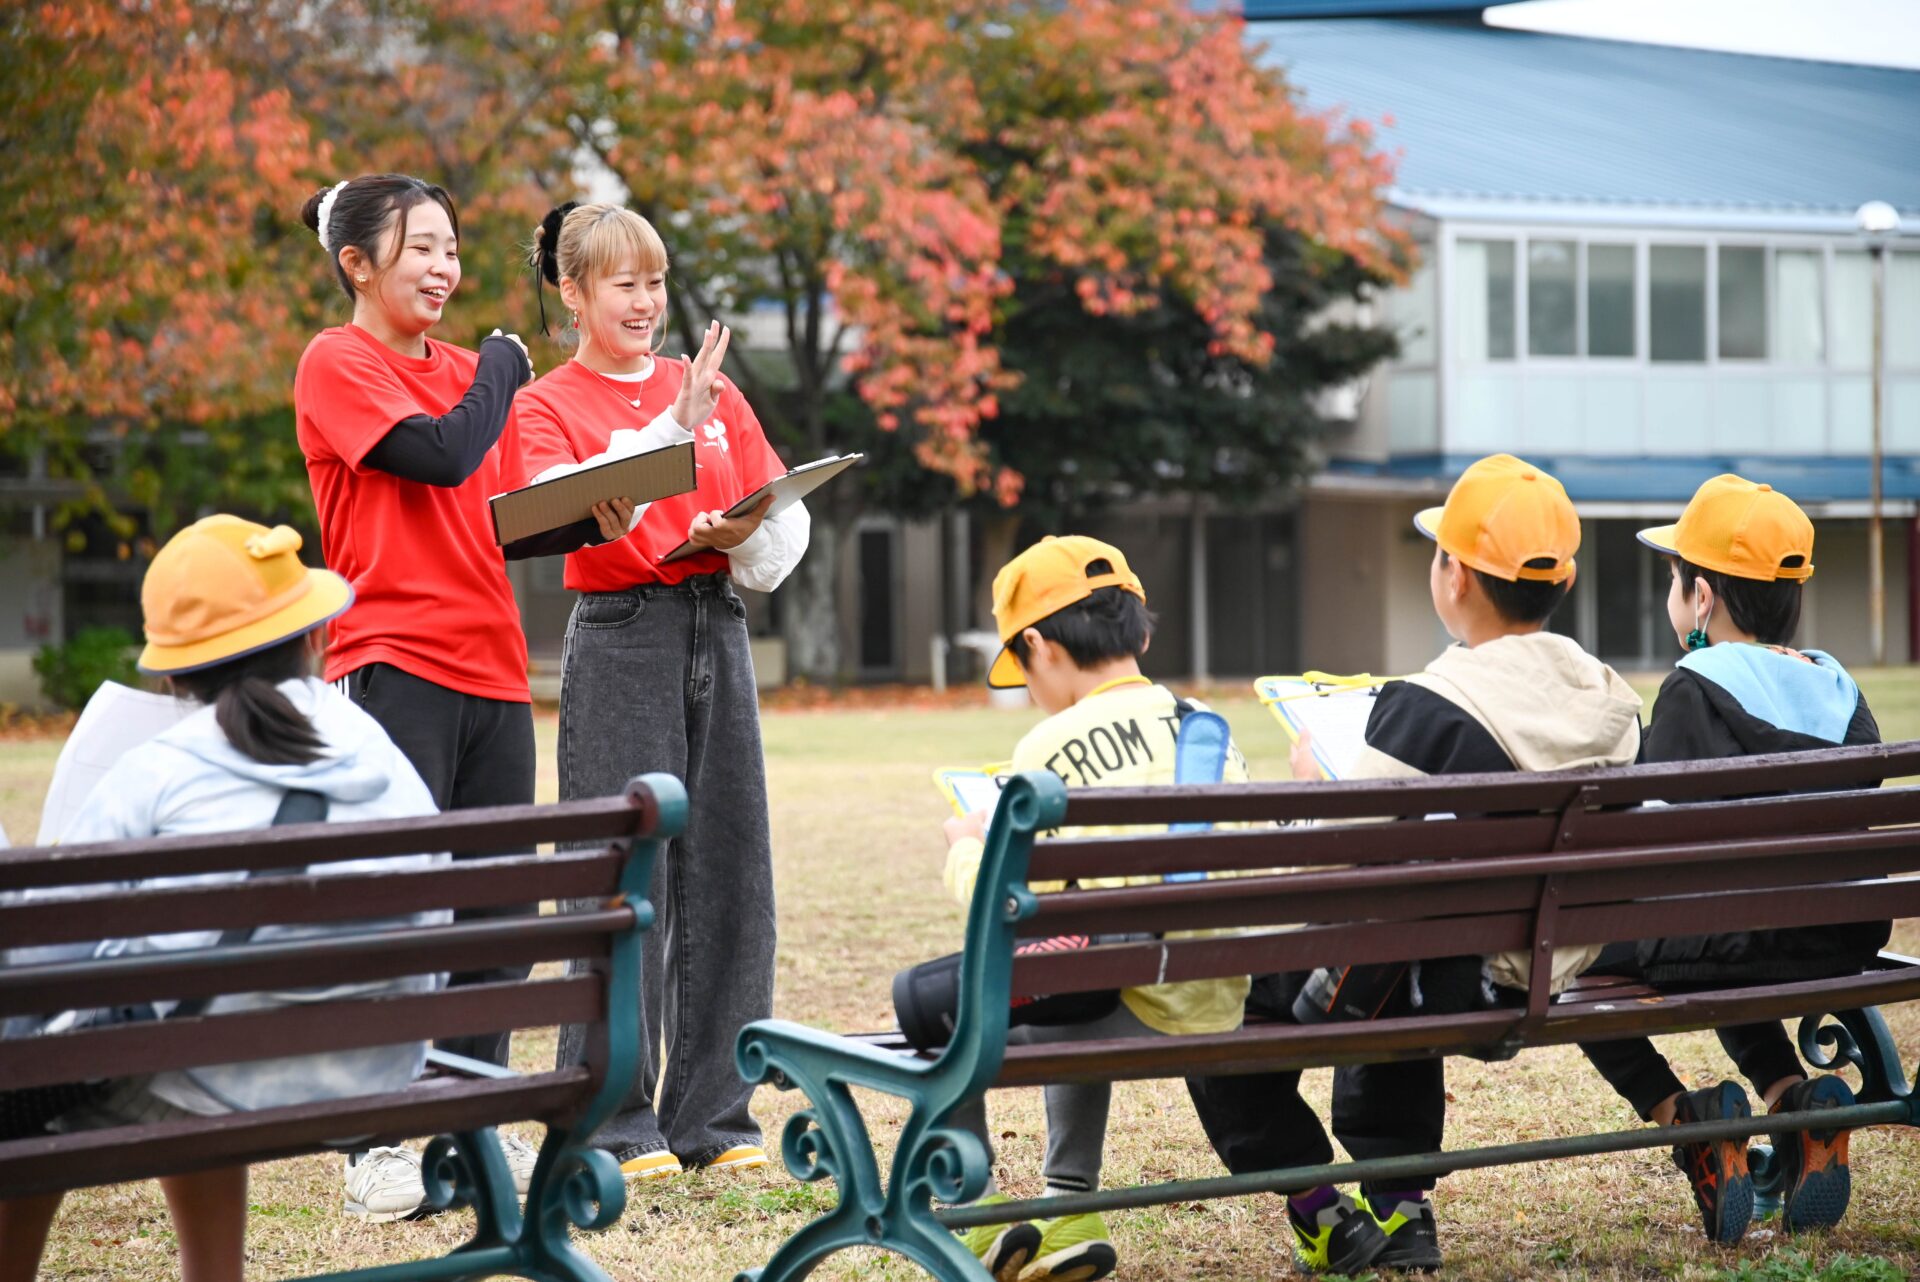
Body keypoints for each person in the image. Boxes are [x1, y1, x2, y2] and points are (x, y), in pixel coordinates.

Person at [1187, 453, 1643, 1274]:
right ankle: (1401, 1209)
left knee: (1214, 991)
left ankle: (1318, 1206)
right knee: (1408, 921)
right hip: (1546, 968)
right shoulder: (1607, 697)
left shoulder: (1431, 704)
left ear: (1455, 575)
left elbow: (1336, 848)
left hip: (1454, 978)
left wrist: (1311, 782)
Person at [0, 515, 447, 1281]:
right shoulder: (377, 748)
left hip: (208, 1075)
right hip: (377, 1070)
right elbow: (435, 920)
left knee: (70, 1073)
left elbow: (46, 958)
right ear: (315, 640)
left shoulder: (159, 767)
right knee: (199, 1017)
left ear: (175, 675)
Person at [292, 172, 574, 1219]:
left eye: (453, 248)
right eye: (422, 248)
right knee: (403, 911)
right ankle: (374, 1139)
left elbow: (509, 511)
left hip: (495, 665)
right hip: (390, 659)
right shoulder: (338, 361)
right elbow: (440, 455)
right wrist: (503, 370)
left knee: (502, 915)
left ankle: (468, 1126)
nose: (445, 267)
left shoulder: (467, 370)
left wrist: (606, 493)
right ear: (356, 263)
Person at [507, 202, 806, 1181]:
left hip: (717, 620)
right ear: (575, 293)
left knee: (732, 873)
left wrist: (745, 531)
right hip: (623, 631)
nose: (646, 303)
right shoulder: (546, 404)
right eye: (624, 283)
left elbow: (774, 525)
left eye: (656, 281)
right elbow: (567, 516)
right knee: (622, 879)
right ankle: (611, 1121)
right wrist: (669, 432)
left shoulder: (706, 387)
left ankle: (716, 1119)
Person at [1576, 474, 1885, 1244]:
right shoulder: (1842, 693)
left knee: (1572, 956)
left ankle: (1689, 1123)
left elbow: (1652, 842)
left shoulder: (1693, 689)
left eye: (1676, 581)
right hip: (1835, 939)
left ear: (1703, 597)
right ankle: (1791, 1102)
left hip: (1723, 942)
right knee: (1725, 930)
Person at [940, 535, 1252, 1282]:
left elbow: (1006, 904)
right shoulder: (1206, 726)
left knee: (959, 1008)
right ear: (1140, 631)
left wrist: (963, 845)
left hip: (1132, 1005)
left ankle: (973, 1212)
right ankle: (1067, 1204)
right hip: (1225, 997)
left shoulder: (1046, 746)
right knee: (1080, 972)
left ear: (1041, 647)